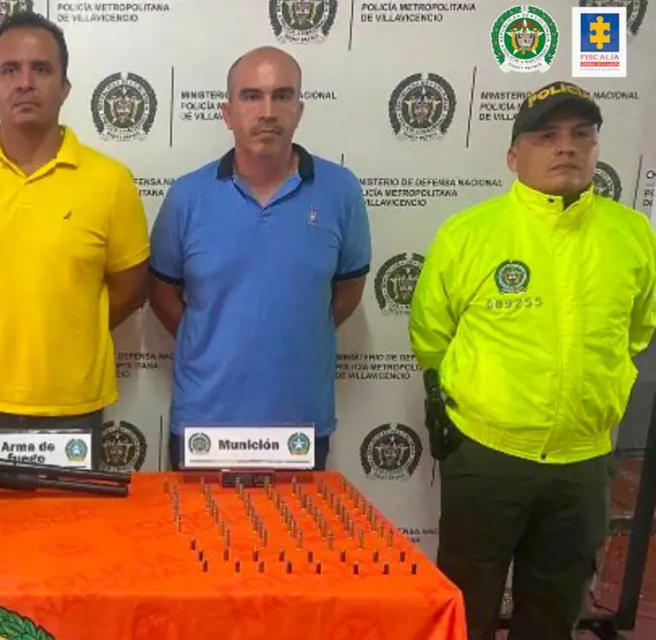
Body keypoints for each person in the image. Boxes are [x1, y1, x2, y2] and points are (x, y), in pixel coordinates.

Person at [409, 81, 656, 640]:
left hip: (583, 461)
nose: (566, 147)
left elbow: (637, 332)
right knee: (465, 607)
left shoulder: (633, 236)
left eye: (581, 135)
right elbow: (431, 334)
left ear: (596, 148)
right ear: (513, 156)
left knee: (553, 613)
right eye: (546, 136)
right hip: (487, 455)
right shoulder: (470, 233)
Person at [0, 11, 150, 464]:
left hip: (74, 405)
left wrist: (70, 327)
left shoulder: (112, 182)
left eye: (41, 69)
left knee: (73, 516)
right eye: (10, 70)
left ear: (65, 86)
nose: (25, 82)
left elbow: (128, 290)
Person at [149, 47, 370, 470]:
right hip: (205, 424)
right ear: (227, 112)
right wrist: (214, 340)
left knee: (295, 520)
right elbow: (161, 294)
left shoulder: (341, 192)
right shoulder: (187, 196)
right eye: (251, 96)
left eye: (282, 96)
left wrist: (293, 332)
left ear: (299, 110)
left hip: (299, 426)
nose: (267, 111)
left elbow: (347, 291)